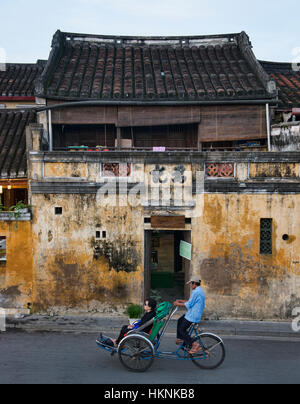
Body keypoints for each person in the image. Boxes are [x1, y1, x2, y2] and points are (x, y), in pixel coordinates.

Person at [174, 276, 206, 354]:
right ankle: (181, 338)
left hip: (193, 315)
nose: (190, 285)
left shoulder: (196, 292)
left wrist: (177, 303)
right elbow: (190, 301)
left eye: (191, 284)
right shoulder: (198, 291)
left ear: (194, 283)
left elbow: (189, 304)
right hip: (192, 313)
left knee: (182, 329)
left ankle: (194, 344)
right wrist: (181, 300)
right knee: (180, 320)